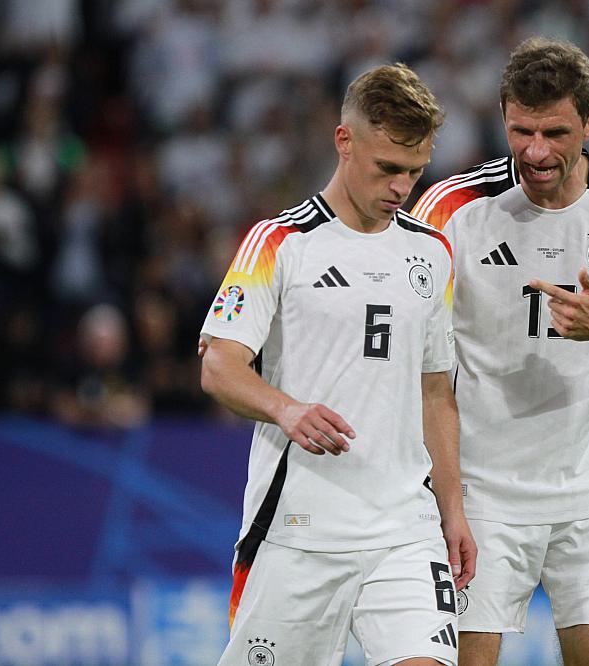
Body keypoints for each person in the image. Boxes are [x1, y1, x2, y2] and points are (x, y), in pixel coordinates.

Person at [411, 37, 589, 665]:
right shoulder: (454, 208)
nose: (535, 152)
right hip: (480, 489)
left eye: (554, 133)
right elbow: (410, 347)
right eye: (521, 131)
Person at [199, 64, 476, 666]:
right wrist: (286, 408)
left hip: (404, 528)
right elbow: (219, 365)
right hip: (299, 530)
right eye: (388, 169)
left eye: (415, 171)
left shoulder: (431, 253)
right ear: (344, 142)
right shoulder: (278, 243)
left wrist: (453, 510)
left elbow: (436, 391)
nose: (402, 187)